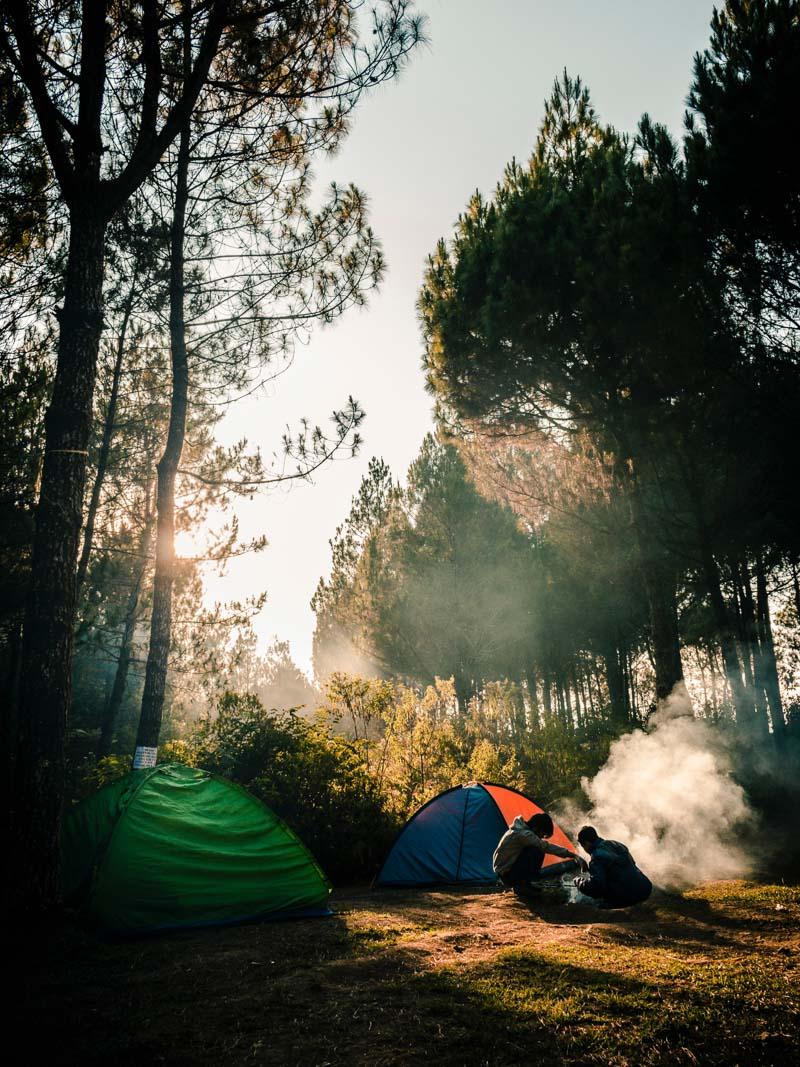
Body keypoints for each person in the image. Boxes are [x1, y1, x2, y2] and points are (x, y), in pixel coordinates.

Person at [493, 811, 582, 898]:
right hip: (507, 875)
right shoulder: (524, 835)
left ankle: (525, 884)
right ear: (536, 828)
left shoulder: (519, 830)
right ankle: (523, 885)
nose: (542, 837)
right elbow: (545, 846)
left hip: (505, 872)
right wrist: (572, 855)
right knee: (537, 850)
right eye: (543, 834)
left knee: (536, 848)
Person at [574, 825, 652, 908]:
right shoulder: (616, 844)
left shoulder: (596, 857)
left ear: (587, 843)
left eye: (583, 846)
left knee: (595, 903)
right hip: (645, 889)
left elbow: (597, 887)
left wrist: (579, 882)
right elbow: (625, 866)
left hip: (628, 897)